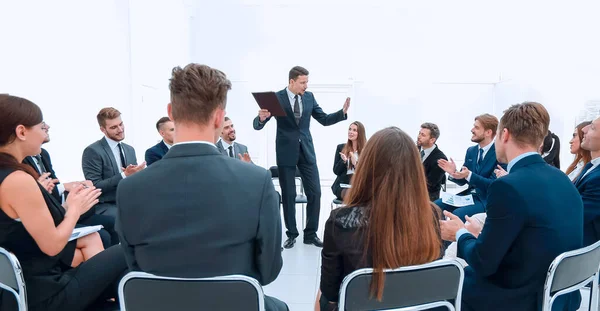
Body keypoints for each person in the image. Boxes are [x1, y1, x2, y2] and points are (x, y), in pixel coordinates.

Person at [116, 64, 288, 311]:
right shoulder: (257, 182)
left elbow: (135, 267)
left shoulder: (129, 188)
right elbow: (269, 271)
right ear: (219, 117)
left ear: (171, 112)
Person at [440, 102, 582, 311]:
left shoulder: (506, 186)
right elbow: (536, 235)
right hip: (559, 295)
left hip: (516, 298)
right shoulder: (562, 179)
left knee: (438, 288)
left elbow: (482, 262)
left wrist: (460, 234)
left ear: (504, 135)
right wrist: (484, 235)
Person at [0, 95, 127, 311]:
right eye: (41, 126)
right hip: (47, 293)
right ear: (21, 132)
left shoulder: (10, 175)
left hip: (28, 282)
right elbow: (51, 246)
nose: (45, 131)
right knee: (127, 249)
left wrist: (69, 207)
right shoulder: (18, 180)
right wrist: (74, 210)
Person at [317, 127, 442, 311]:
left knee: (321, 297)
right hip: (414, 306)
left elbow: (331, 293)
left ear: (367, 168)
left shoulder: (341, 221)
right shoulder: (431, 215)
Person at [253, 66, 350, 249]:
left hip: (306, 151)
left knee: (315, 192)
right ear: (291, 81)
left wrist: (342, 113)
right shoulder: (277, 98)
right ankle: (292, 234)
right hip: (286, 152)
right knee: (288, 195)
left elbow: (323, 119)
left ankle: (311, 234)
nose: (306, 86)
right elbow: (258, 125)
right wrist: (261, 118)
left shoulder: (309, 97)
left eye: (307, 82)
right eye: (302, 82)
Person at [23, 124, 116, 247]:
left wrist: (77, 186)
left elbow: (54, 184)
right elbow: (40, 192)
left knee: (112, 222)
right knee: (101, 234)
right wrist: (65, 188)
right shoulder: (22, 161)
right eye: (42, 125)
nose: (48, 127)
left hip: (57, 208)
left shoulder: (43, 154)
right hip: (48, 218)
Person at [436, 114, 505, 221]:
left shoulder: (500, 153)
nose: (472, 130)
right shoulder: (471, 151)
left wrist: (469, 175)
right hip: (468, 197)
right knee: (435, 206)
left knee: (458, 214)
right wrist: (453, 173)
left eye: (476, 128)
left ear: (488, 132)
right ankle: (434, 238)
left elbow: (493, 185)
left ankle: (453, 237)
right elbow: (464, 181)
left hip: (486, 199)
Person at [82, 107, 145, 218]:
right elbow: (95, 186)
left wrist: (139, 175)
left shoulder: (129, 149)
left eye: (121, 124)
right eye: (114, 127)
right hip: (106, 205)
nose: (120, 129)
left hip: (130, 202)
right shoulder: (93, 151)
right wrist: (124, 175)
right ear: (103, 130)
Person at [577, 118, 600, 246]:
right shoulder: (592, 167)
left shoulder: (598, 178)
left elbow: (576, 214)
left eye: (592, 127)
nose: (584, 130)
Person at [331, 121, 366, 201]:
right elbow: (336, 171)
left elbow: (366, 173)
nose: (350, 132)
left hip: (358, 185)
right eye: (350, 129)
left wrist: (355, 164)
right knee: (351, 195)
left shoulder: (366, 151)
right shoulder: (341, 148)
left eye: (354, 130)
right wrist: (344, 161)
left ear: (360, 133)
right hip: (342, 185)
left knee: (361, 194)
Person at [417, 122, 448, 200]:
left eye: (423, 135)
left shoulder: (440, 159)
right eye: (419, 133)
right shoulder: (416, 151)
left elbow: (430, 185)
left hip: (427, 200)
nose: (418, 136)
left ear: (432, 140)